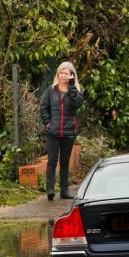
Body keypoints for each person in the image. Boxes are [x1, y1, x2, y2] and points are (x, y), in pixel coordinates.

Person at [37, 61, 83, 200]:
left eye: (66, 73)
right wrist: (47, 123)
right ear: (58, 74)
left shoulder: (76, 91)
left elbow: (77, 104)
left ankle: (64, 191)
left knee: (64, 161)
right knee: (52, 160)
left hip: (69, 132)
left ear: (71, 76)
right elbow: (43, 107)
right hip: (53, 132)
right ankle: (50, 189)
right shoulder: (51, 90)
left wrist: (72, 87)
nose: (63, 75)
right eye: (61, 73)